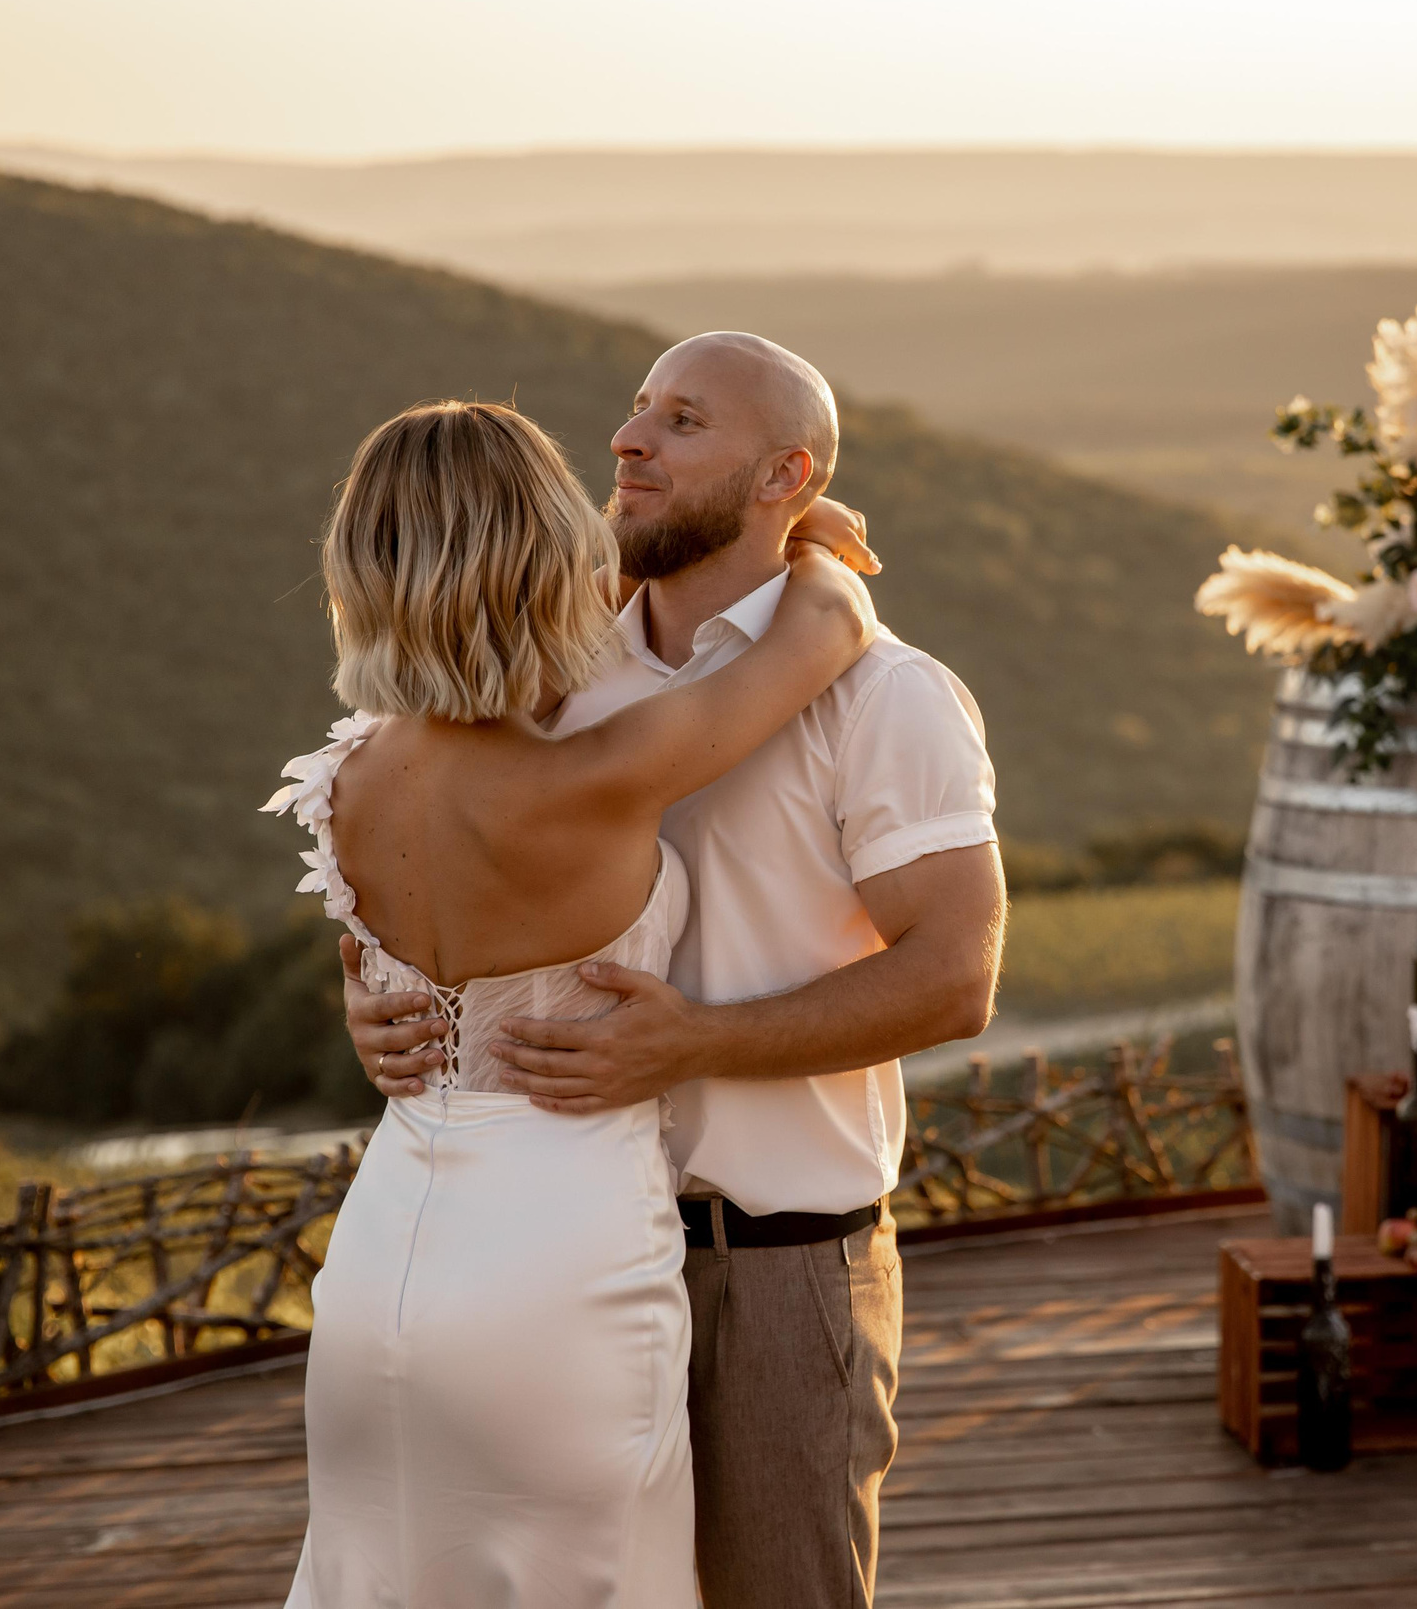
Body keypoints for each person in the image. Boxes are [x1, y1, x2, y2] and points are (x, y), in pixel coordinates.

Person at [342, 333, 1006, 1609]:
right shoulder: (544, 673)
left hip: (769, 1264)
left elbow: (952, 979)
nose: (628, 441)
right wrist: (381, 1003)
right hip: (552, 1257)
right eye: (636, 409)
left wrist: (695, 1041)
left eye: (682, 421)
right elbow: (411, 853)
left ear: (783, 475)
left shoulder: (884, 698)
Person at [267, 397, 879, 1608]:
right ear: (548, 553)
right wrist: (800, 533)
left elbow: (384, 978)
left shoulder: (348, 780)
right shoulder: (594, 780)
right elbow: (827, 630)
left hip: (384, 1254)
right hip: (558, 1272)